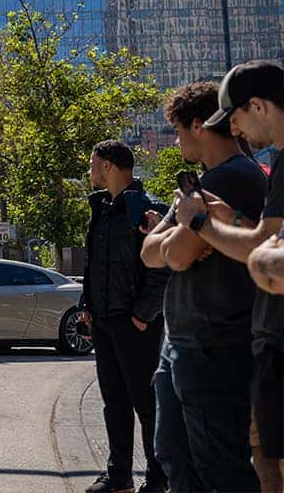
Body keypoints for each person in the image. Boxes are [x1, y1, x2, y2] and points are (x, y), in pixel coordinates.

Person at [139, 82, 263, 492]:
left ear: (198, 126)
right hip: (183, 342)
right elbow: (149, 252)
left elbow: (174, 256)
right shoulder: (199, 185)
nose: (175, 141)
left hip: (216, 343)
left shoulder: (231, 179)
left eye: (177, 131)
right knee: (176, 458)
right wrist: (185, 235)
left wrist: (182, 236)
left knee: (219, 467)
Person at [176, 61, 284, 493]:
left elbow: (262, 251)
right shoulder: (276, 165)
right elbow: (263, 240)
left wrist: (199, 223)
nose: (234, 130)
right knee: (264, 463)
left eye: (234, 118)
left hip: (263, 340)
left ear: (258, 106)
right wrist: (231, 220)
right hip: (267, 340)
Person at [80, 140, 169, 493]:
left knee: (147, 405)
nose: (89, 171)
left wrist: (143, 315)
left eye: (92, 163)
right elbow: (94, 265)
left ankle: (157, 479)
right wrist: (87, 306)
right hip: (104, 320)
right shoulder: (101, 209)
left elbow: (161, 271)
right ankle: (119, 478)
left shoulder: (147, 210)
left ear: (107, 165)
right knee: (114, 402)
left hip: (135, 323)